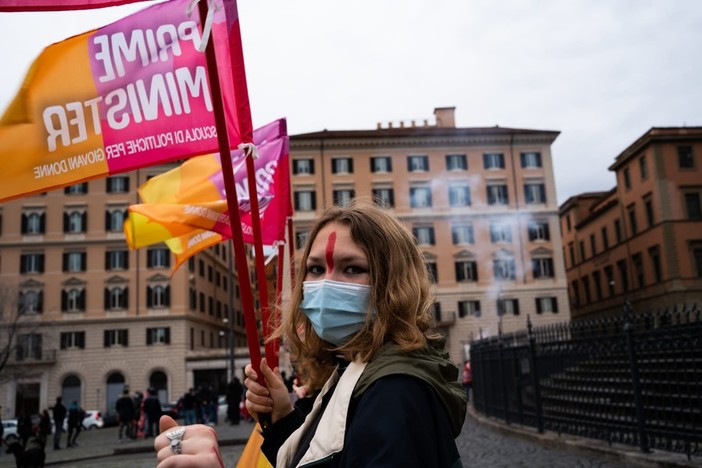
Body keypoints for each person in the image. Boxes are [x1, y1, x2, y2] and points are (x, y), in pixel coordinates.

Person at [154, 201, 467, 467]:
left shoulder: (393, 393)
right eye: (316, 269)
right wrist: (283, 420)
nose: (326, 284)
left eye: (353, 268)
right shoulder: (356, 369)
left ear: (394, 283)